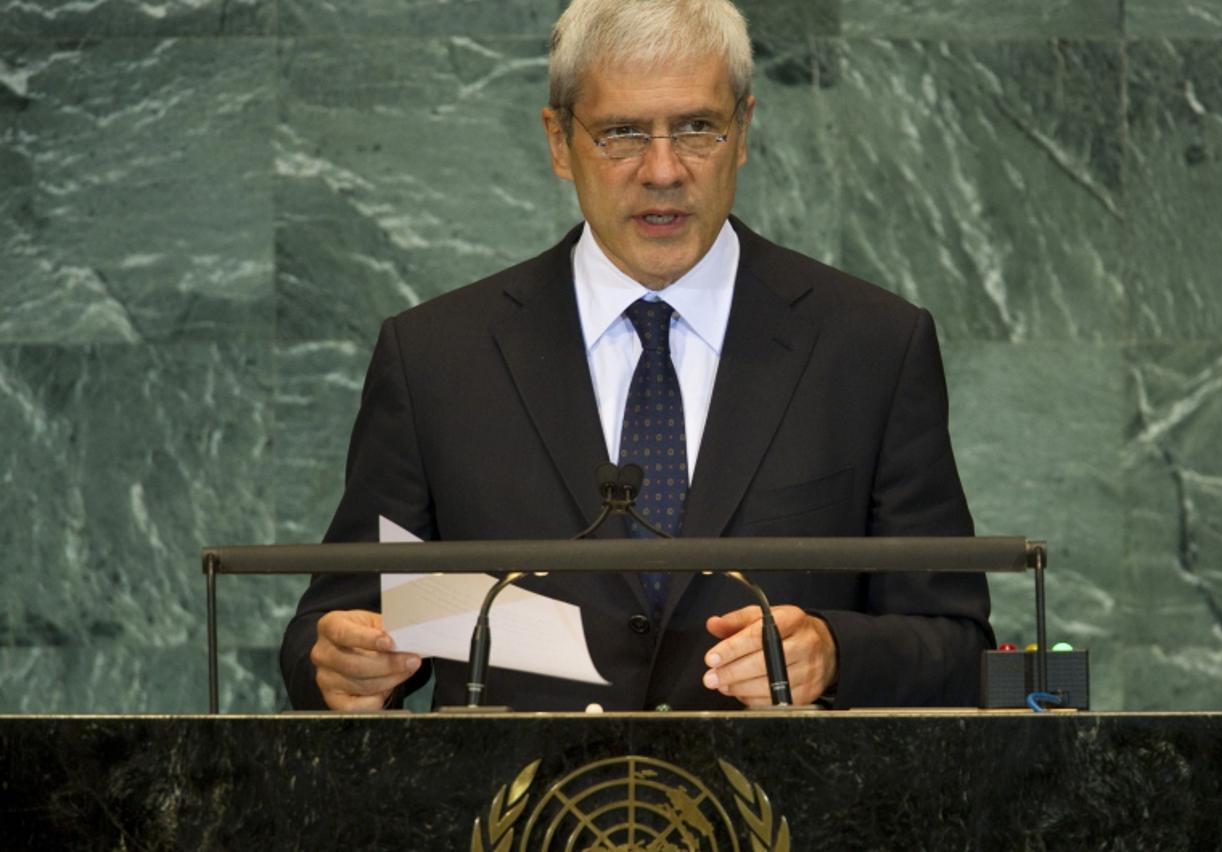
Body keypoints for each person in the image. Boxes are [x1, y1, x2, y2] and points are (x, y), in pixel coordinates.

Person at [280, 0, 992, 712]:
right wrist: (344, 663)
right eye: (622, 133)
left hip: (784, 814)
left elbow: (958, 646)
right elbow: (335, 624)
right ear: (559, 141)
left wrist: (835, 654)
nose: (663, 170)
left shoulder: (870, 347)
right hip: (519, 816)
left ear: (743, 130)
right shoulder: (437, 358)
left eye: (696, 129)